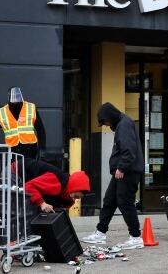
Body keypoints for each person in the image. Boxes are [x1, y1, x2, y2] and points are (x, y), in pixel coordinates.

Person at [82, 102, 145, 249]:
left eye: (104, 121)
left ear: (109, 116)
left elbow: (129, 150)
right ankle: (100, 232)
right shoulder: (123, 124)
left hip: (127, 171)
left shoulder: (124, 125)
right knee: (110, 200)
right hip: (122, 171)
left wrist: (121, 167)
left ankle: (136, 237)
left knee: (125, 202)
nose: (105, 125)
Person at [0, 87, 46, 160]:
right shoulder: (2, 112)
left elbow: (40, 130)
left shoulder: (30, 108)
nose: (15, 100)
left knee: (28, 170)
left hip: (30, 150)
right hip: (13, 151)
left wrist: (42, 149)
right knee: (14, 170)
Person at [14, 158, 90, 213]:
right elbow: (28, 186)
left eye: (77, 198)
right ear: (73, 187)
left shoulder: (66, 194)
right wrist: (42, 203)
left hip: (25, 177)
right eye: (76, 196)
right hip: (15, 172)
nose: (74, 200)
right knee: (16, 208)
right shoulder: (57, 180)